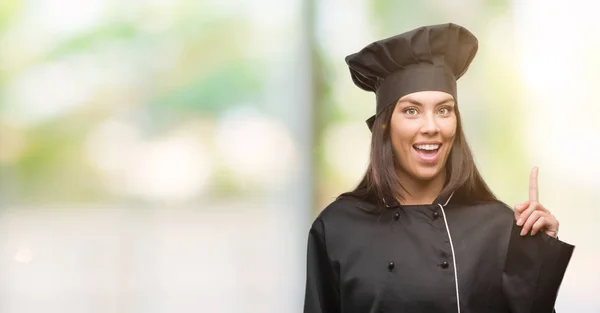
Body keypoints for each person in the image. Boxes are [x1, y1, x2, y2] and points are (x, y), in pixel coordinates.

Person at [303, 23, 574, 313]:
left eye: (444, 110)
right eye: (411, 111)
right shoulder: (337, 228)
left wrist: (538, 253)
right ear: (384, 126)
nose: (431, 127)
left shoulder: (498, 227)